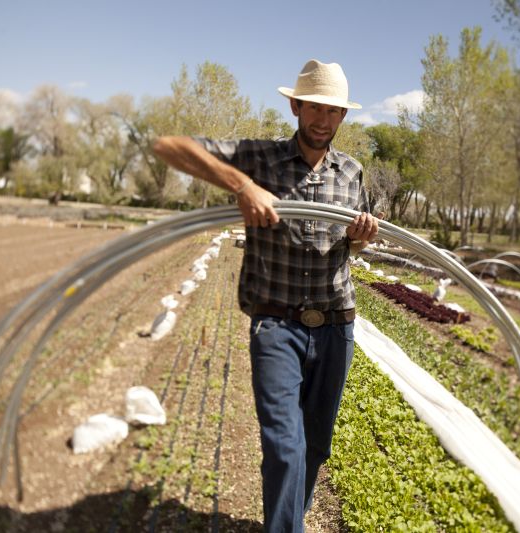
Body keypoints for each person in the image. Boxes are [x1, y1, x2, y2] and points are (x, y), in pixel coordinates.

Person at [152, 59, 379, 533]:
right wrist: (241, 184)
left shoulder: (352, 172)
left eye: (333, 111)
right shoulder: (261, 159)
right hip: (277, 324)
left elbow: (349, 245)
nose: (322, 120)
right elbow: (169, 146)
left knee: (315, 445)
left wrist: (360, 237)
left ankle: (288, 519)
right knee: (284, 446)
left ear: (343, 117)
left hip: (337, 324)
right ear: (295, 106)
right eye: (313, 107)